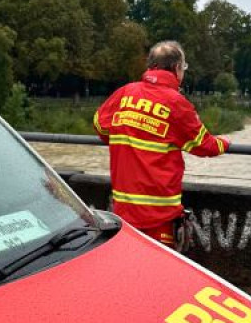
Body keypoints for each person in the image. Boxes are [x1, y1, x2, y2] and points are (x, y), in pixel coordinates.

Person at [93, 40, 230, 251]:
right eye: (183, 68)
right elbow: (205, 146)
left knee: (128, 272)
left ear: (150, 66)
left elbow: (100, 126)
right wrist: (225, 143)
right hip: (160, 218)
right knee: (158, 275)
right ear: (176, 68)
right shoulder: (176, 103)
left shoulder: (124, 93)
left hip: (124, 213)